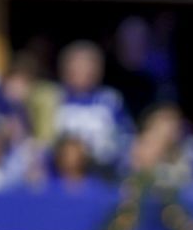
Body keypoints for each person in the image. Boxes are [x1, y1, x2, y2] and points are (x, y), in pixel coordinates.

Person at [54, 40, 135, 172]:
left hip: (104, 172)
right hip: (61, 174)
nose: (84, 70)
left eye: (89, 65)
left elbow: (126, 135)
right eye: (78, 65)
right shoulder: (53, 98)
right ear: (65, 68)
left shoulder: (110, 99)